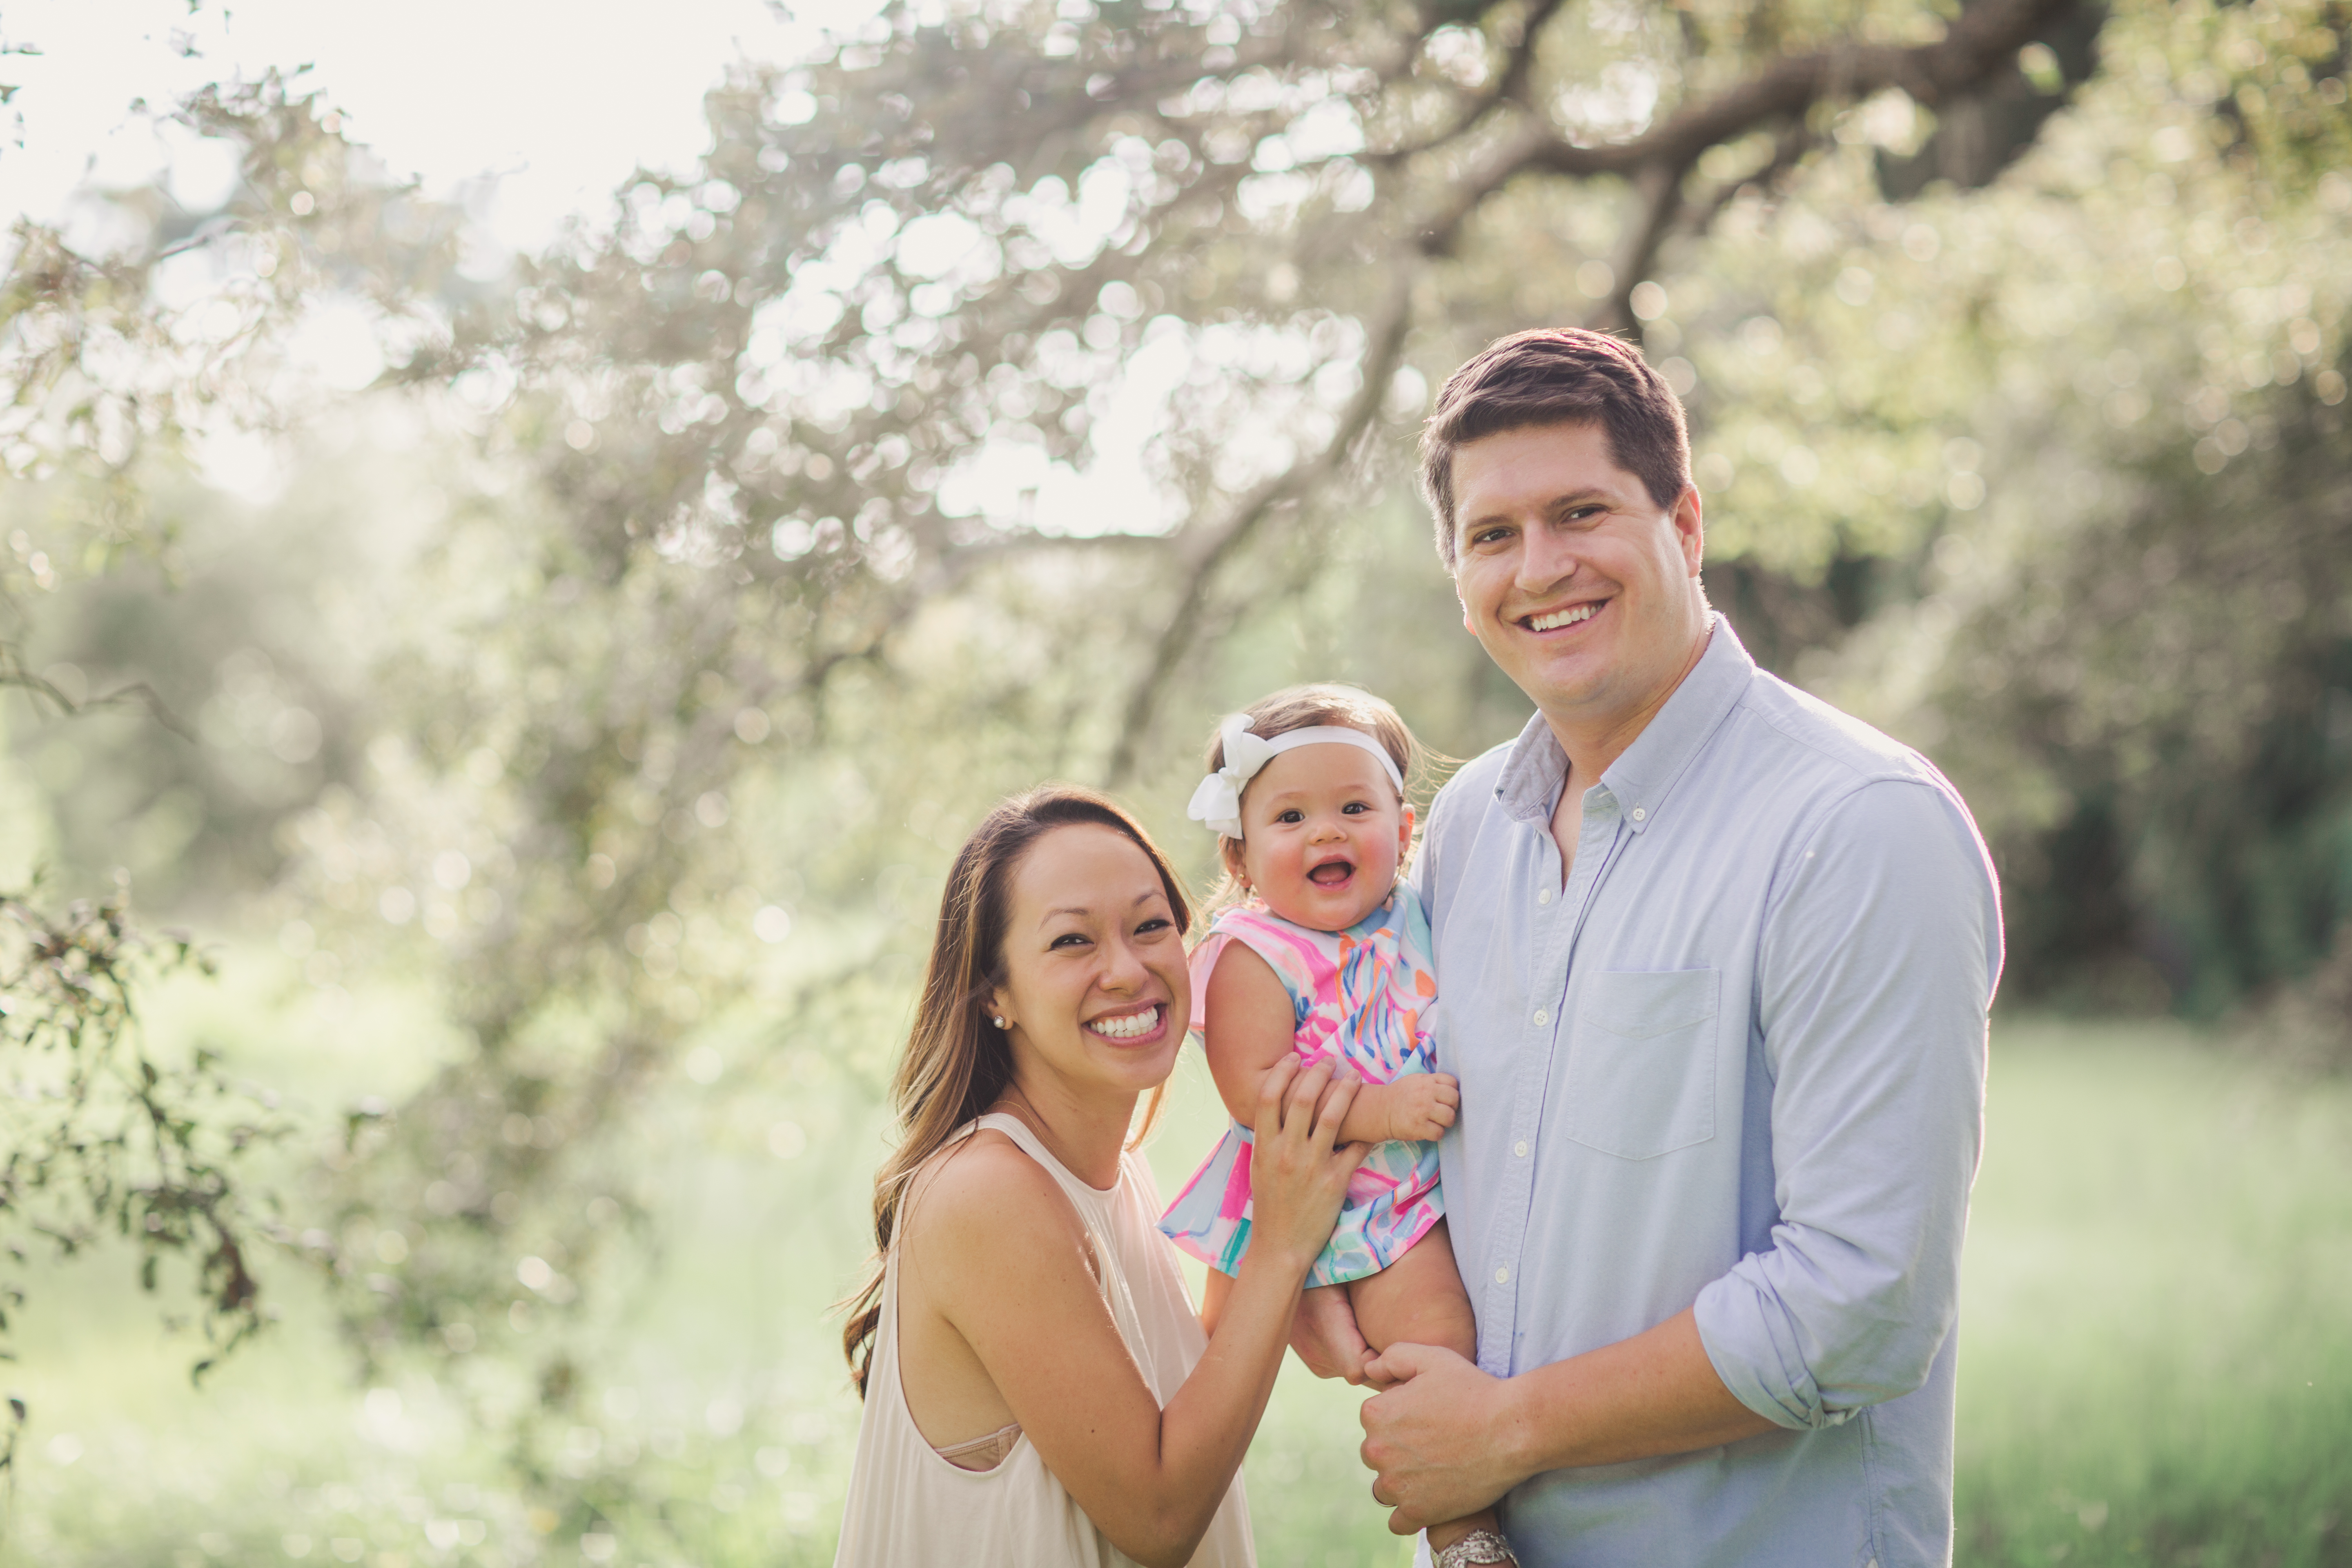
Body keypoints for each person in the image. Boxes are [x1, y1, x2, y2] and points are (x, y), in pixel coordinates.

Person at [1302, 328, 2004, 1568]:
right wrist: (1319, 1253)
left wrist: (1507, 1429)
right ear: (1459, 577)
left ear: (1684, 525)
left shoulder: (1854, 828)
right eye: (1493, 535)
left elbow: (1861, 1306)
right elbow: (1397, 1120)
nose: (1540, 568)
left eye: (1582, 512)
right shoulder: (1465, 834)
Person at [833, 784, 1368, 1568]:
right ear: (995, 995)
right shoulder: (989, 1192)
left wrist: (1268, 1178)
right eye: (1072, 943)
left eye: (1151, 927)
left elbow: (1193, 1402)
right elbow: (1158, 1516)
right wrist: (1281, 1243)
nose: (1128, 970)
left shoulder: (1116, 1172)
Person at [1157, 686, 1515, 1568]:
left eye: (1355, 808)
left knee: (1447, 1341)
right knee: (1430, 1339)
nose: (1326, 833)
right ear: (1239, 856)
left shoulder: (1416, 914)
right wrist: (1384, 1109)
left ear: (1406, 826)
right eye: (1290, 816)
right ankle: (1463, 1538)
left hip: (1415, 1183)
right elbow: (1258, 1093)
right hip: (1329, 1194)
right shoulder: (1253, 953)